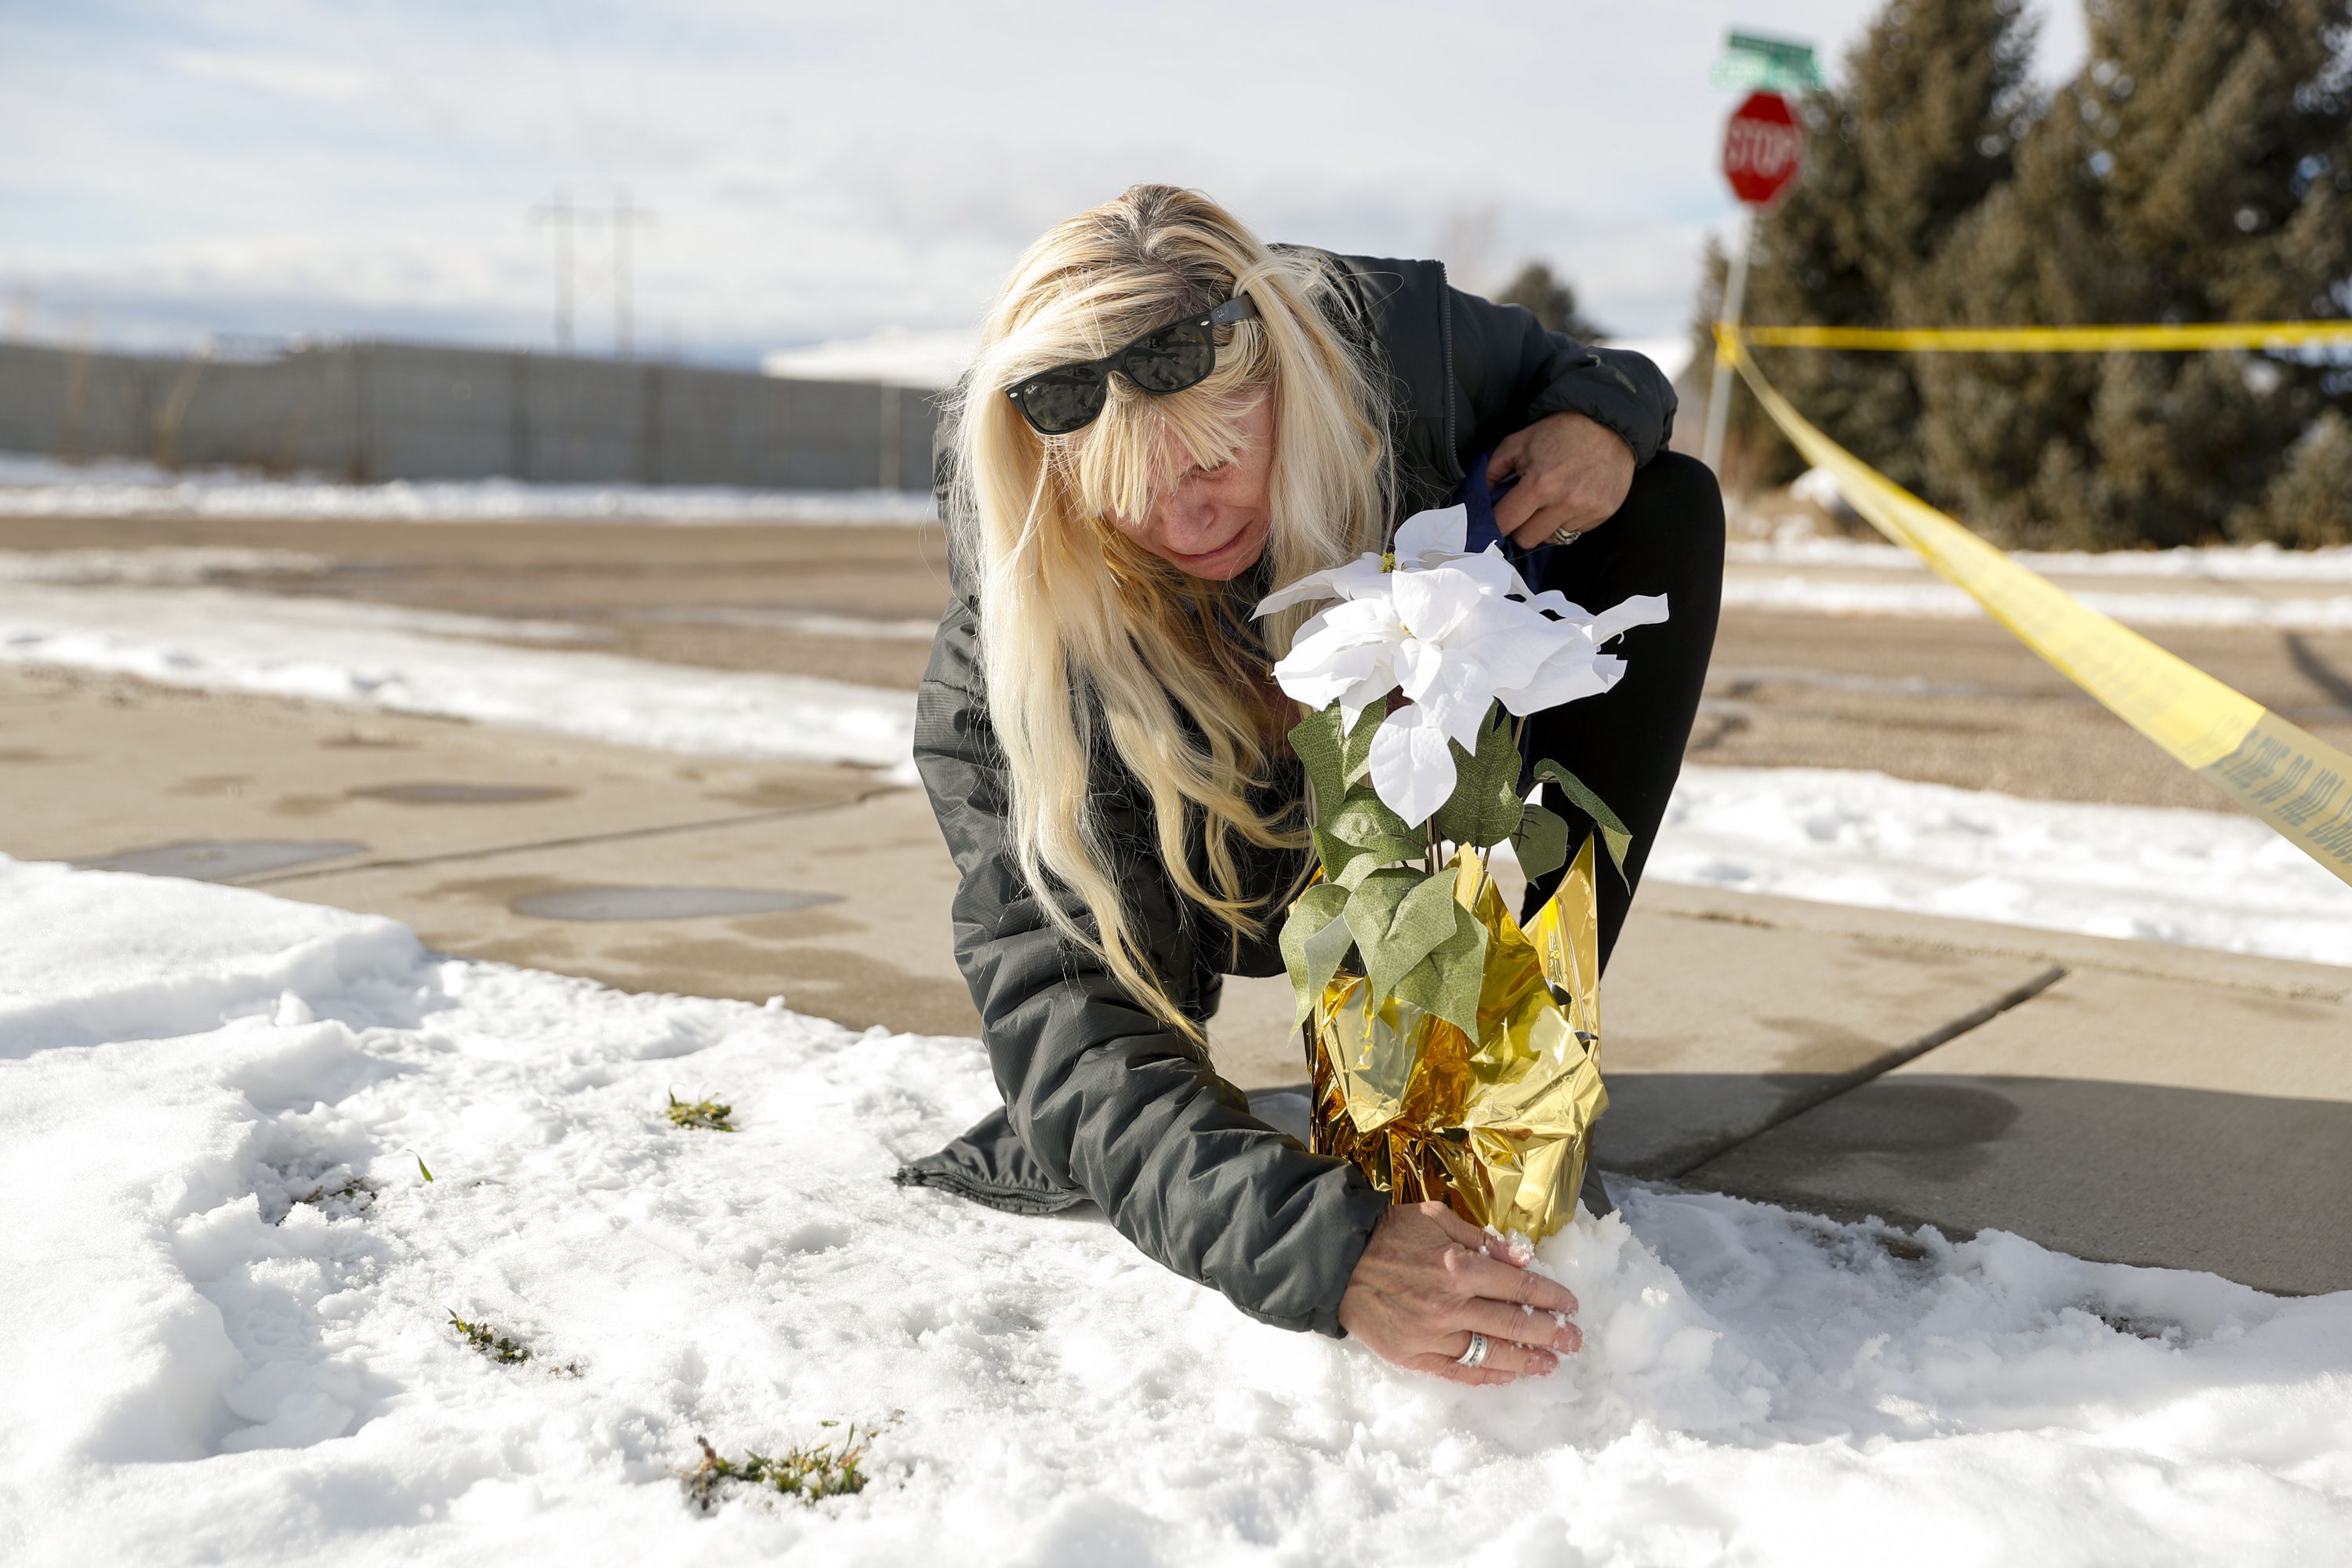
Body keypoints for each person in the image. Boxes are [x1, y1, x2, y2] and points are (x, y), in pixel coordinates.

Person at [896, 184, 1723, 1385]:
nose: (1189, 511)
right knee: (1117, 1056)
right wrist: (1325, 1250)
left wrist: (1601, 423)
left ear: (1286, 375)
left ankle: (1501, 1029)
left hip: (1423, 797)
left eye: (1220, 452)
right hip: (1217, 862)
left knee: (1663, 506)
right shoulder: (1004, 657)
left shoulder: (1399, 344)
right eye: (1132, 483)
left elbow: (1594, 372)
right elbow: (1067, 1025)